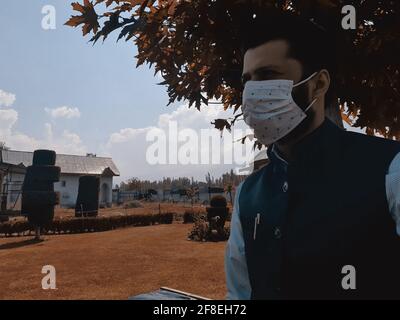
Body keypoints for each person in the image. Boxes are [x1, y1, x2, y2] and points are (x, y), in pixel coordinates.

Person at [225, 13, 400, 300]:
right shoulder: (248, 194)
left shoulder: (390, 171)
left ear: (318, 84)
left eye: (268, 75)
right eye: (248, 80)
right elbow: (239, 294)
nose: (253, 92)